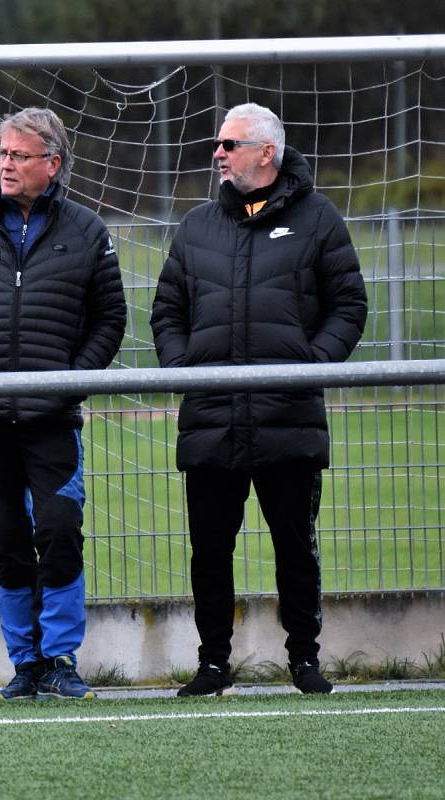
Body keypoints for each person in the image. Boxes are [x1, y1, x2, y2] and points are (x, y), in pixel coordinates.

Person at [151, 103, 367, 696]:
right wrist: (182, 369)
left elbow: (349, 304)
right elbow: (167, 310)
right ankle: (212, 664)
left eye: (229, 143)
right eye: (217, 144)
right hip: (210, 419)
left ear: (266, 152)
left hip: (287, 417)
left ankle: (304, 660)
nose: (217, 153)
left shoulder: (318, 219)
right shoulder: (196, 225)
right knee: (209, 552)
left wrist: (310, 366)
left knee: (296, 546)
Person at [0, 107, 126, 700]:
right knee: (7, 542)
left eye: (19, 156)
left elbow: (109, 319)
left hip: (52, 420)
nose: (7, 164)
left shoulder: (87, 231)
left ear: (53, 163)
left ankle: (60, 657)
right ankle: (26, 663)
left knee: (61, 530)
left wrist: (72, 379)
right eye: (3, 154)